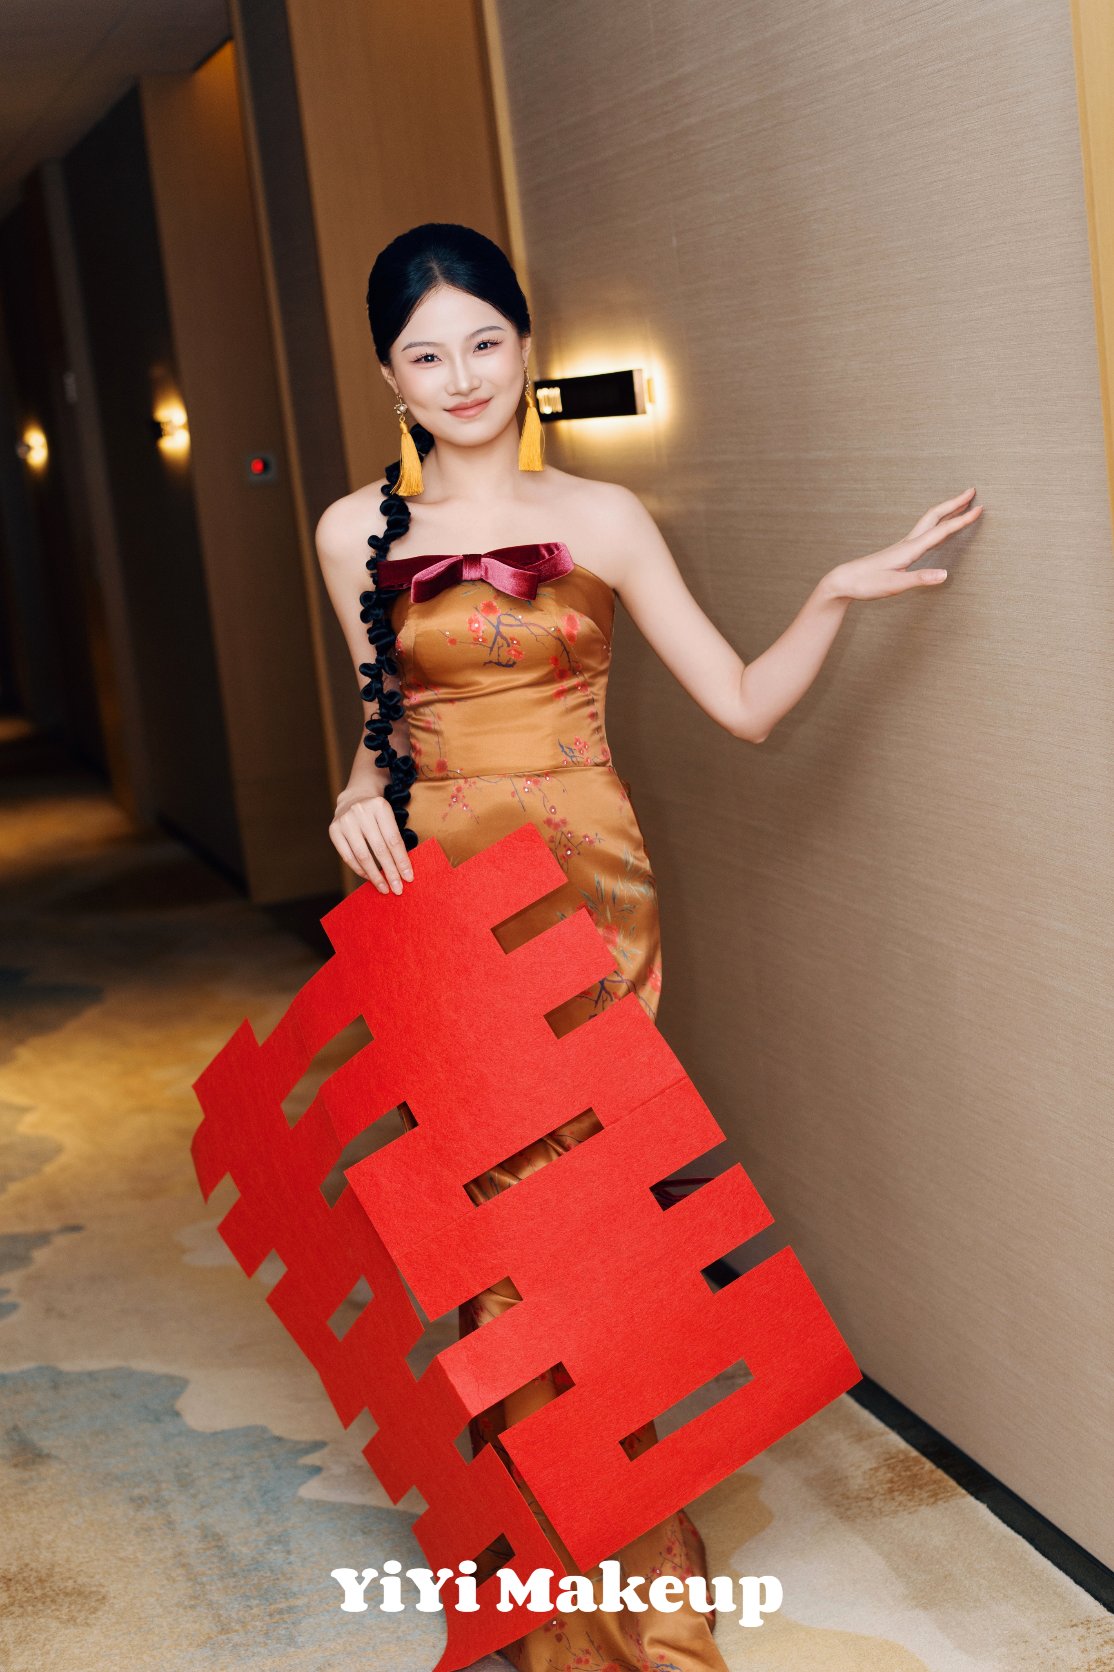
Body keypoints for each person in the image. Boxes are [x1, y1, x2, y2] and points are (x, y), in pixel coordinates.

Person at [314, 222, 983, 1672]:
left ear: (524, 347)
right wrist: (356, 800)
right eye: (426, 354)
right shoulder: (348, 530)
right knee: (489, 1230)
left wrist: (830, 595)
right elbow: (378, 739)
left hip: (583, 891)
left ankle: (634, 1586)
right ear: (390, 377)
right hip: (435, 904)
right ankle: (554, 1575)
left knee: (577, 1221)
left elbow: (739, 702)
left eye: (484, 342)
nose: (461, 376)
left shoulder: (605, 518)